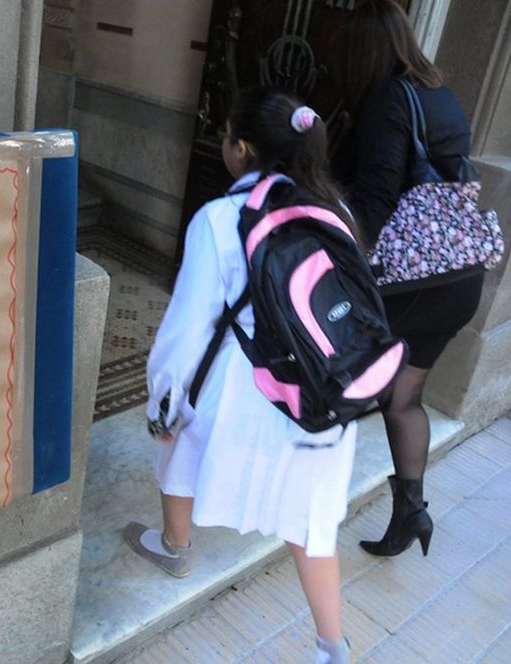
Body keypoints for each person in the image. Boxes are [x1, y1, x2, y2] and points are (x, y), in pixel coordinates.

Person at [124, 87, 357, 664]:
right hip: (319, 395)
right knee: (311, 518)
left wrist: (164, 398)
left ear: (241, 150)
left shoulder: (219, 218)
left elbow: (188, 327)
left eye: (227, 135)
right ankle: (334, 647)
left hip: (241, 382)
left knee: (178, 444)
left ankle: (175, 547)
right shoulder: (338, 212)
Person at [331, 0, 481, 558]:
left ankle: (303, 505)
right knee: (404, 399)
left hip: (407, 284)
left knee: (336, 388)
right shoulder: (439, 93)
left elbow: (374, 202)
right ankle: (411, 514)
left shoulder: (389, 100)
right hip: (455, 276)